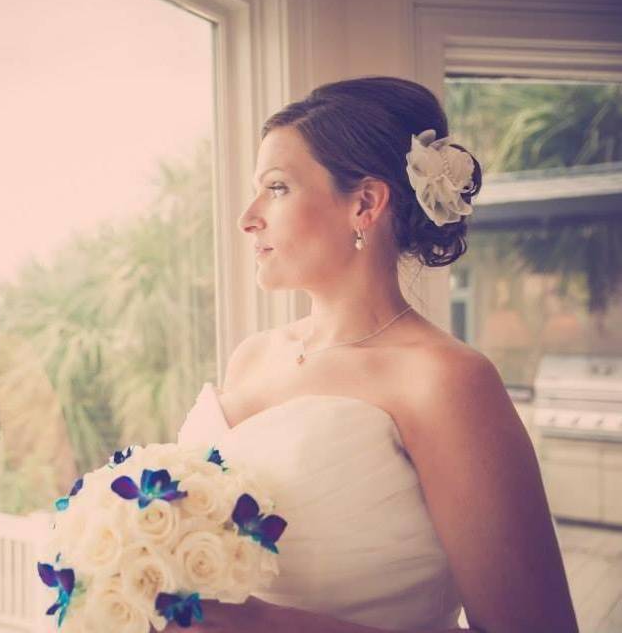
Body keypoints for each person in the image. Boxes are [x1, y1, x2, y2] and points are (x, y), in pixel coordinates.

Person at [172, 76, 578, 633]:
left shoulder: (444, 380)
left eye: (277, 187)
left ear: (364, 203)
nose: (248, 216)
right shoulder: (252, 357)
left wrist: (260, 625)